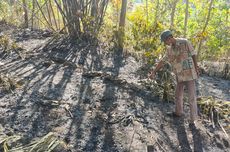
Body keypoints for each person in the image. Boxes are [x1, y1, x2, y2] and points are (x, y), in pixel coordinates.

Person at [149, 30, 199, 124]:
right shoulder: (169, 49)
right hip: (179, 75)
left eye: (165, 41)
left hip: (189, 75)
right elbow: (162, 61)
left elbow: (193, 54)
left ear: (169, 38)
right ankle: (178, 112)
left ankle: (193, 120)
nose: (165, 43)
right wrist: (154, 72)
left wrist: (196, 67)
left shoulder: (185, 42)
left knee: (191, 97)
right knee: (177, 95)